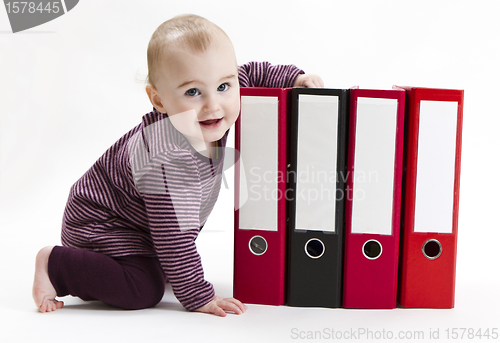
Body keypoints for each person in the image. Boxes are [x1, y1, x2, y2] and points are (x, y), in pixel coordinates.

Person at [32, 14, 323, 317]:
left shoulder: (216, 100)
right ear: (158, 100)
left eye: (224, 86)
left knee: (160, 268)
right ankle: (56, 266)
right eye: (193, 93)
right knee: (143, 289)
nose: (213, 104)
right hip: (100, 229)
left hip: (141, 226)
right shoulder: (168, 159)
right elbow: (174, 237)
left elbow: (251, 72)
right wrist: (198, 295)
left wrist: (294, 78)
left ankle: (146, 264)